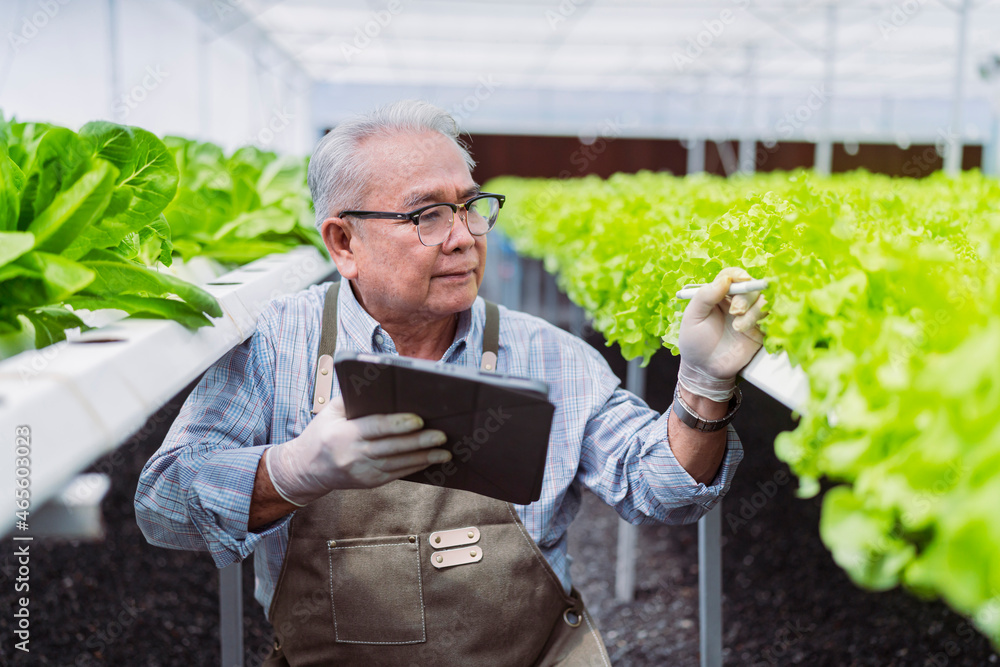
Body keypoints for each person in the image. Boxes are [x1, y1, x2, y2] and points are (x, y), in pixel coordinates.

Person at [135, 100, 766, 666]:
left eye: (469, 207)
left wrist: (704, 385)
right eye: (428, 216)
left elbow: (662, 491)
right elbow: (163, 506)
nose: (463, 238)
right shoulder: (277, 345)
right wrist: (290, 472)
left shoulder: (547, 354)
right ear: (343, 241)